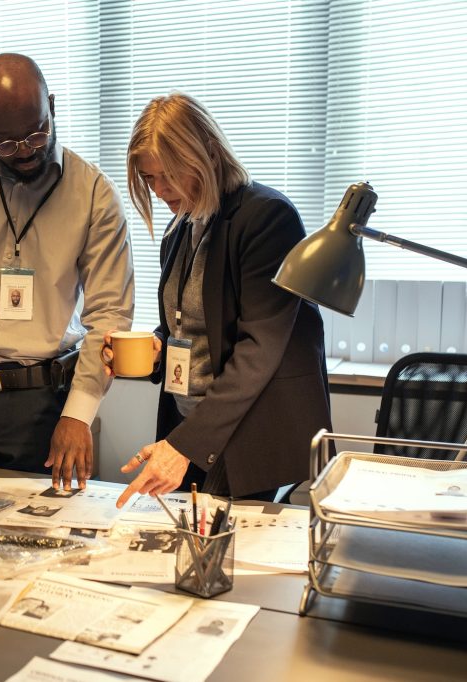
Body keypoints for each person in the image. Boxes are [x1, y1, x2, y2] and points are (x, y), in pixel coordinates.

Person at [0, 53, 134, 491]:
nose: (26, 150)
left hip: (48, 402)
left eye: (37, 133)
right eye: (6, 143)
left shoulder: (94, 194)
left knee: (45, 539)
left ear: (52, 105)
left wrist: (78, 412)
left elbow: (108, 315)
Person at [107, 93, 331, 506]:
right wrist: (157, 346)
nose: (159, 191)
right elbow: (185, 322)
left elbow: (260, 348)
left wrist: (185, 445)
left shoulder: (267, 218)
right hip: (195, 426)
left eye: (168, 175)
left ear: (207, 153)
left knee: (226, 558)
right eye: (149, 178)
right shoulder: (181, 227)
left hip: (251, 433)